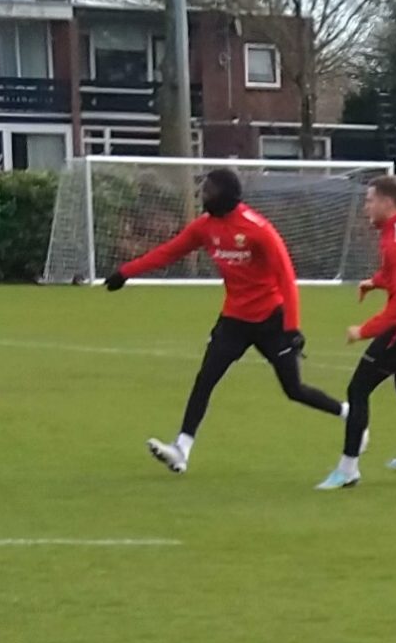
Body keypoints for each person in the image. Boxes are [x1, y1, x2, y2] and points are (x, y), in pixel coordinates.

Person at [106, 167, 345, 474]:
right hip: (233, 320)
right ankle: (182, 449)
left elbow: (286, 276)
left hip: (270, 319)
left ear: (226, 196)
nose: (203, 195)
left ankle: (347, 414)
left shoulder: (257, 229)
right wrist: (126, 273)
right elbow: (168, 253)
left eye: (208, 190)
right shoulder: (205, 227)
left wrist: (292, 327)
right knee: (205, 379)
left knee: (293, 389)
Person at [322, 174, 396, 490]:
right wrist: (375, 282)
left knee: (358, 389)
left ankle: (348, 469)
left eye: (370, 200)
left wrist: (363, 330)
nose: (366, 207)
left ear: (387, 202)